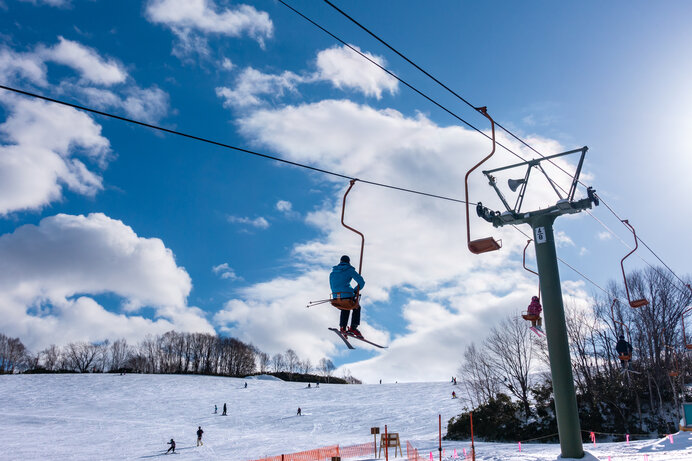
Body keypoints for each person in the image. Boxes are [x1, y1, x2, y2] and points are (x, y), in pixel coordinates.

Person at [329, 255, 365, 338]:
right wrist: (355, 291)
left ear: (340, 261)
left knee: (345, 307)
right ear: (348, 262)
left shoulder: (332, 273)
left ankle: (343, 327)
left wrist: (336, 294)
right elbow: (362, 282)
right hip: (346, 295)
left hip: (335, 298)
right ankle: (353, 328)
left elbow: (332, 285)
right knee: (356, 307)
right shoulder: (349, 270)